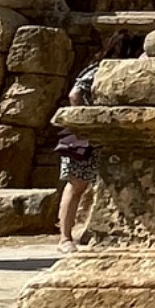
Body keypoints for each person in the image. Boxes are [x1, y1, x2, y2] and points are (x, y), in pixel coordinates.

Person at [53, 62, 101, 251]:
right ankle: (64, 238)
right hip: (84, 137)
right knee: (76, 185)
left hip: (99, 138)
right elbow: (75, 94)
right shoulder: (98, 70)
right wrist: (84, 123)